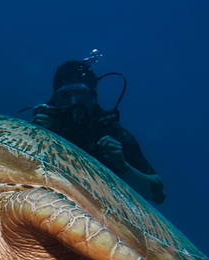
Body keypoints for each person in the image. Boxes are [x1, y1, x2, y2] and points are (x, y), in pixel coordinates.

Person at [30, 58, 166, 204]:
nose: (74, 101)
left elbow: (156, 193)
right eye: (65, 95)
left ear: (93, 96)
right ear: (55, 99)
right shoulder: (46, 128)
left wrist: (122, 166)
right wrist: (33, 135)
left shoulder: (112, 133)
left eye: (81, 94)